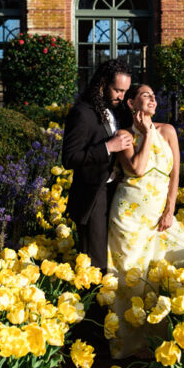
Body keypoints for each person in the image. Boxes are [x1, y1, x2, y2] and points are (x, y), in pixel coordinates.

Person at [107, 83, 184, 358]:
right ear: (131, 103)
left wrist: (171, 208)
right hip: (130, 217)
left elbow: (175, 173)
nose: (153, 99)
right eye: (145, 95)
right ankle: (131, 347)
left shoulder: (169, 131)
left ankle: (165, 340)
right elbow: (135, 169)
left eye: (154, 95)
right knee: (132, 278)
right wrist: (146, 133)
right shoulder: (124, 135)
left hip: (160, 215)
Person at [62, 58, 132, 271]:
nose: (121, 96)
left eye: (125, 91)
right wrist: (108, 147)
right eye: (117, 90)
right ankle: (94, 304)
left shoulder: (113, 110)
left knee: (111, 257)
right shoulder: (82, 112)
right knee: (95, 264)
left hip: (113, 191)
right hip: (92, 197)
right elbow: (69, 158)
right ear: (102, 83)